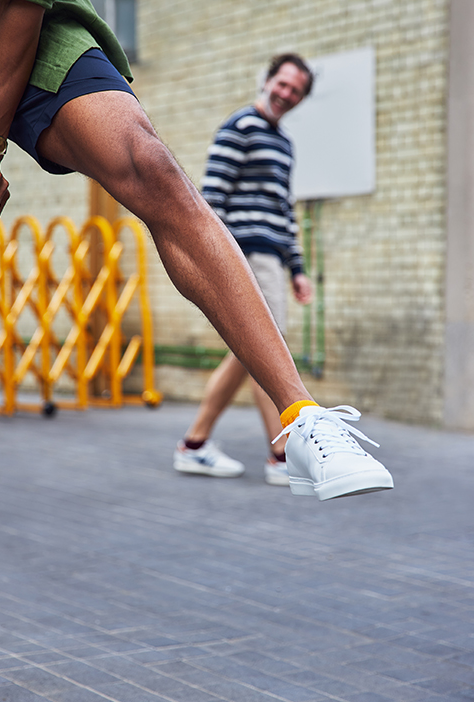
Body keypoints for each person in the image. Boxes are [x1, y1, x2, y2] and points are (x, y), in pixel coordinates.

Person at [0, 0, 393, 501]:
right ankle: (199, 440)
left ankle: (303, 420)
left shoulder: (283, 143)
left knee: (151, 166)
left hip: (20, 23)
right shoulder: (243, 129)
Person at [174, 53, 316, 486]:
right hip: (246, 253)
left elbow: (283, 210)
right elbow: (210, 198)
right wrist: (215, 258)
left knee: (248, 349)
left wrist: (297, 268)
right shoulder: (240, 128)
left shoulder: (284, 143)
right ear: (268, 79)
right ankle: (280, 454)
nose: (286, 94)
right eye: (283, 83)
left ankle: (195, 444)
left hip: (273, 256)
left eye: (296, 91)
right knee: (266, 346)